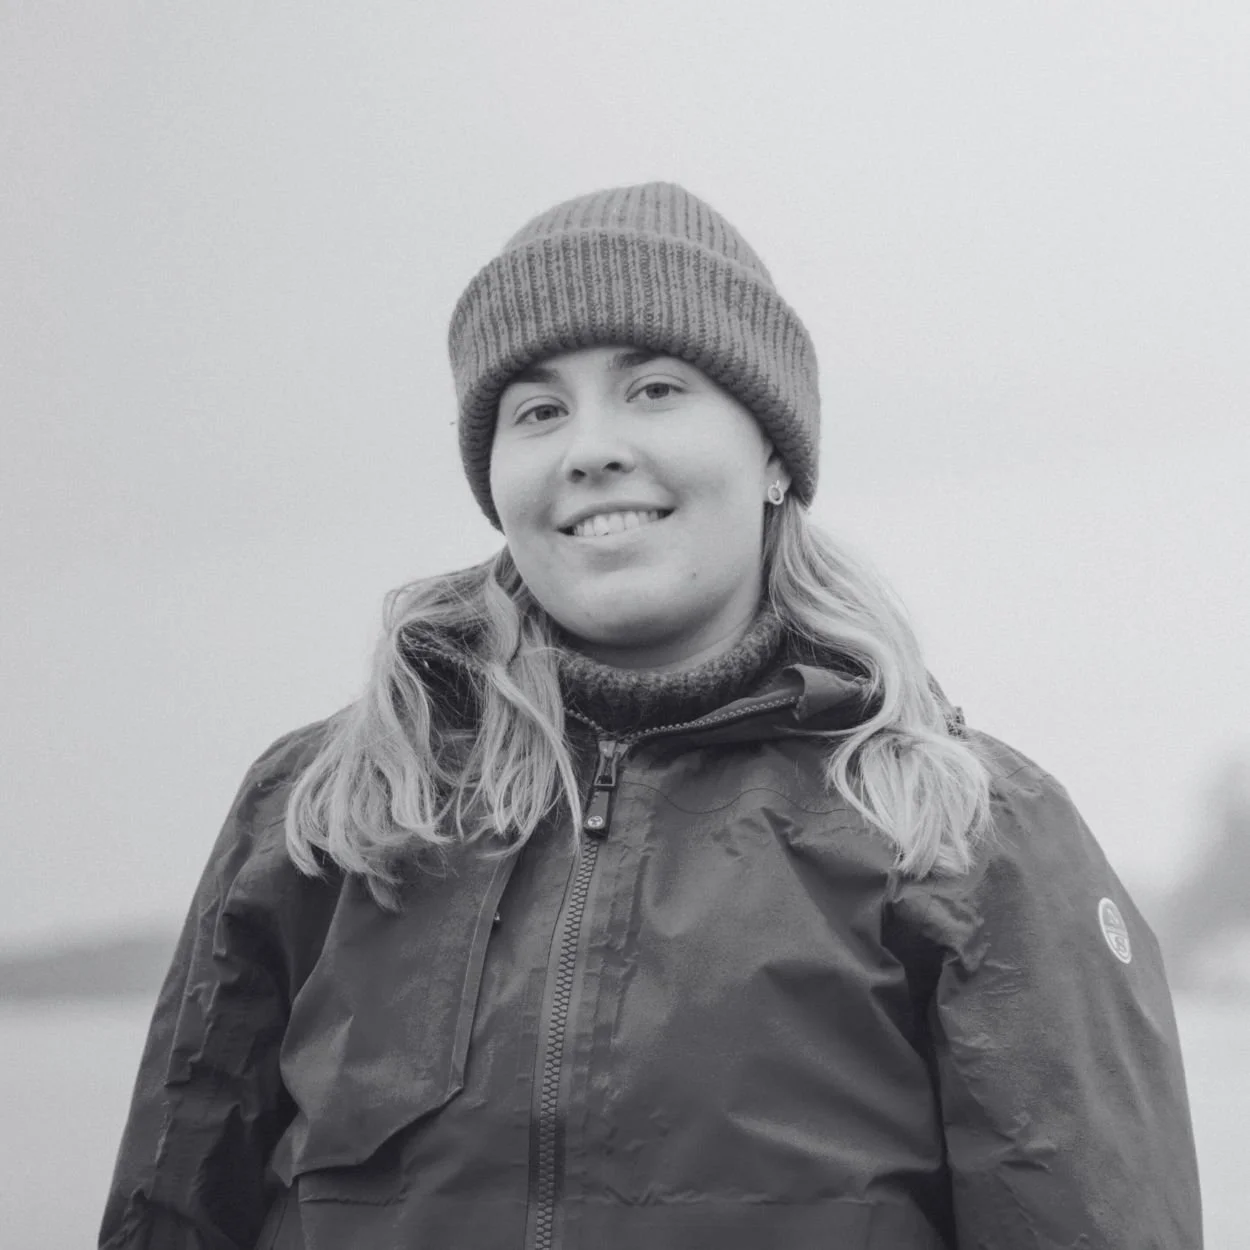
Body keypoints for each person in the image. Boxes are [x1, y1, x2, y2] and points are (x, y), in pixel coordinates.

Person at [100, 182, 1202, 1250]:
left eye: (656, 389)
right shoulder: (323, 812)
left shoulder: (969, 835)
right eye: (538, 410)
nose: (589, 448)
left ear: (774, 455)